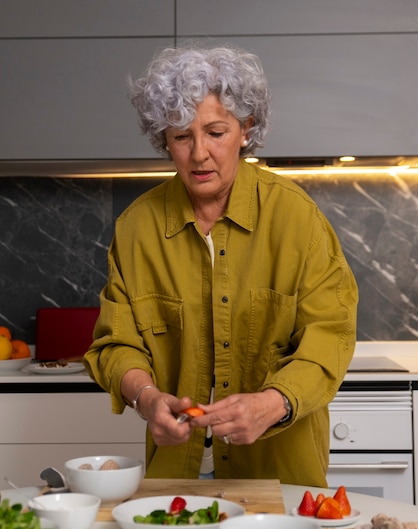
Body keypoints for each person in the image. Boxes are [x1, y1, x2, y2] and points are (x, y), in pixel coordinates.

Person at [84, 44, 358, 486]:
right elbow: (117, 345)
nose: (198, 155)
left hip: (279, 475)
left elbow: (330, 338)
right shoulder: (136, 228)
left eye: (215, 132)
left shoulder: (297, 218)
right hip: (175, 478)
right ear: (164, 140)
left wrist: (274, 402)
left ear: (245, 129)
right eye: (181, 136)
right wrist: (147, 398)